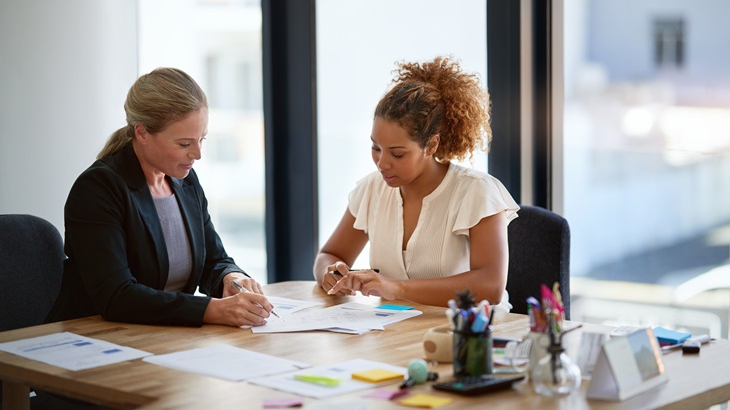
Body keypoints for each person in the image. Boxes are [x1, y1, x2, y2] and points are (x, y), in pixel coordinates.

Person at [46, 67, 274, 328]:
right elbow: (117, 296)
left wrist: (231, 278)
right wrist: (212, 310)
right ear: (142, 133)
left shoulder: (184, 180)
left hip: (163, 337)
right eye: (185, 144)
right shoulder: (98, 188)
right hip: (95, 340)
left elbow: (214, 260)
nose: (197, 154)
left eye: (202, 139)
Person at [314, 56, 519, 309]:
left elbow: (491, 286)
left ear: (431, 145)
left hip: (469, 336)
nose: (382, 163)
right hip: (396, 334)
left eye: (397, 153)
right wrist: (332, 273)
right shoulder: (371, 189)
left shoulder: (477, 192)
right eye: (376, 147)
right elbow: (329, 255)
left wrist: (396, 287)